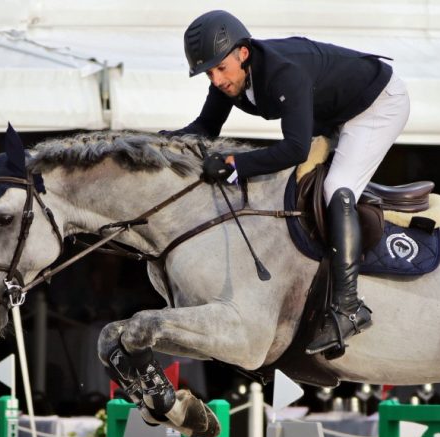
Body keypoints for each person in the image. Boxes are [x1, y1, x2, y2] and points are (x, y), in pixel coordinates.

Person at [164, 10, 411, 356]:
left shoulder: (284, 73)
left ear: (243, 53)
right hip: (335, 114)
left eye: (220, 69)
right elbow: (205, 129)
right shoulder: (229, 77)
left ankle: (349, 306)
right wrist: (158, 145)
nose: (217, 80)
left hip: (377, 106)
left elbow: (295, 148)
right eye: (209, 73)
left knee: (335, 188)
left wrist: (236, 164)